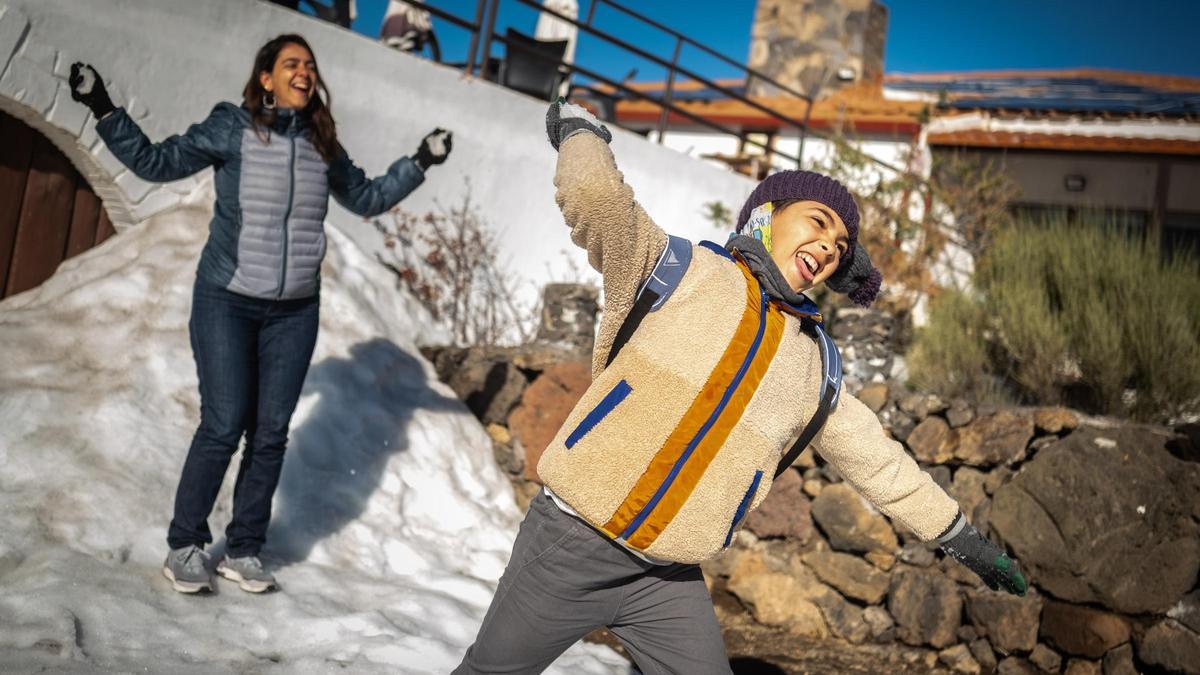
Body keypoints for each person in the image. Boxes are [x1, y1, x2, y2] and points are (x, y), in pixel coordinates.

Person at [453, 100, 1025, 674]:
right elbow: (596, 201)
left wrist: (964, 539)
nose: (829, 247)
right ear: (766, 215)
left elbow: (880, 464)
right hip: (573, 542)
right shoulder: (677, 269)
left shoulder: (814, 366)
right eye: (818, 223)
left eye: (842, 246)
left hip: (668, 579)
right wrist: (581, 132)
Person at [68, 34, 452, 594]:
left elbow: (365, 198)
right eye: (291, 63)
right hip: (227, 298)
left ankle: (244, 547)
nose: (304, 71)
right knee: (224, 423)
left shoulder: (322, 142)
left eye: (310, 65)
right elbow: (157, 162)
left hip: (294, 312)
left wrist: (420, 160)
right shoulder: (234, 127)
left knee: (270, 434)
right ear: (266, 78)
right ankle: (186, 544)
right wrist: (102, 106)